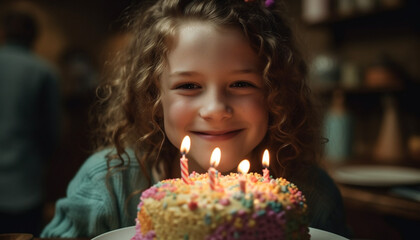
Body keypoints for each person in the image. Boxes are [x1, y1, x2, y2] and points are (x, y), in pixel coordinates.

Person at [41, 0, 351, 238]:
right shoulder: (108, 184)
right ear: (153, 97)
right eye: (188, 86)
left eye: (241, 84)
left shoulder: (312, 196)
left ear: (277, 93)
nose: (215, 109)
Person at [0, 10, 60, 236]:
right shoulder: (44, 72)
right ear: (34, 36)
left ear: (3, 33)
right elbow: (52, 131)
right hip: (24, 181)